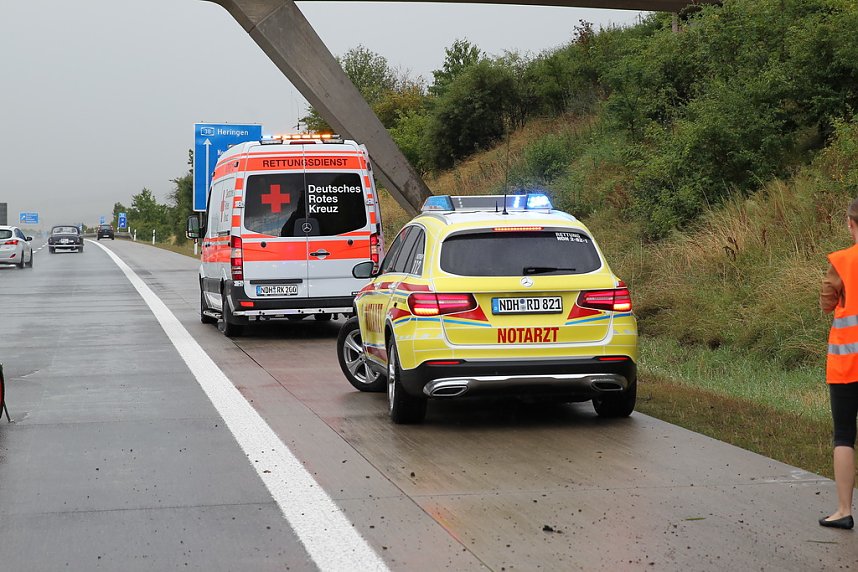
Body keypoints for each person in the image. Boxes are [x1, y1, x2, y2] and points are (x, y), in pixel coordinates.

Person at [819, 197, 858, 530]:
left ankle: (844, 510)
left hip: (847, 365)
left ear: (850, 223)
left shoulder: (842, 261)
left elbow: (826, 302)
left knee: (844, 435)